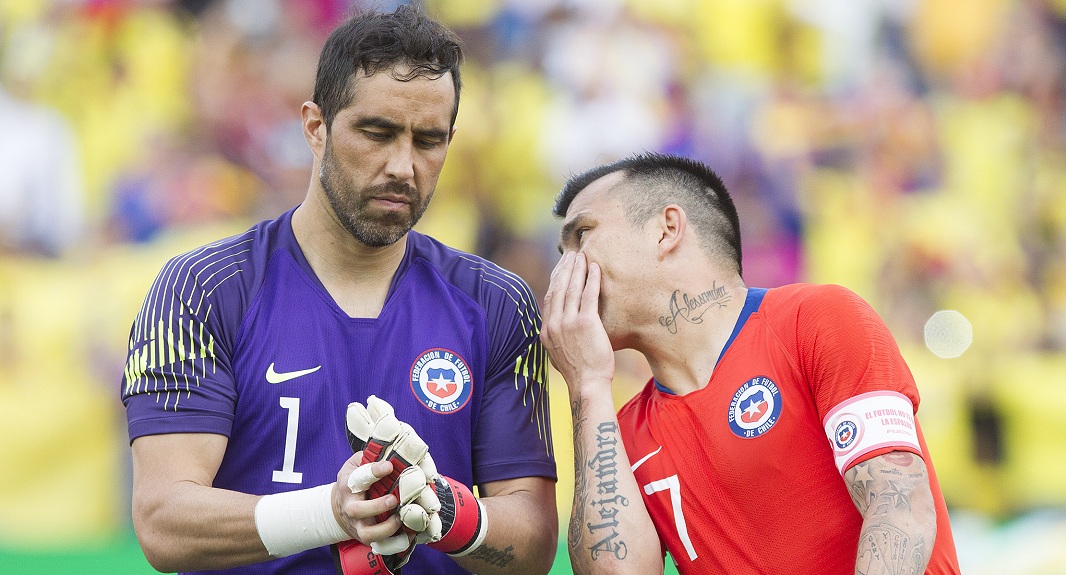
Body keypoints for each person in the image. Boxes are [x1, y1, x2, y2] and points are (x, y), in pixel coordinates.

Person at [121, 6, 557, 575]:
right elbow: (163, 520)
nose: (403, 165)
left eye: (429, 141)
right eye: (377, 133)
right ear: (315, 126)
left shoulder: (498, 304)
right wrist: (331, 513)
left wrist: (451, 513)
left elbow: (534, 547)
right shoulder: (200, 290)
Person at [540, 152, 961, 574]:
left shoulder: (816, 320)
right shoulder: (622, 433)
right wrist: (588, 386)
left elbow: (899, 507)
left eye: (582, 235)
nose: (564, 271)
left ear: (666, 229)